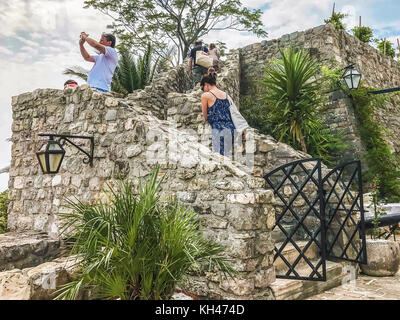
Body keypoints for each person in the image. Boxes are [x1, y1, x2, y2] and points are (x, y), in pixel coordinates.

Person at [201, 68, 236, 157]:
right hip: (231, 128)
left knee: (220, 158)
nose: (203, 90)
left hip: (218, 128)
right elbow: (234, 112)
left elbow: (205, 116)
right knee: (226, 156)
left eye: (203, 87)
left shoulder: (206, 96)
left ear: (206, 84)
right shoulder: (226, 95)